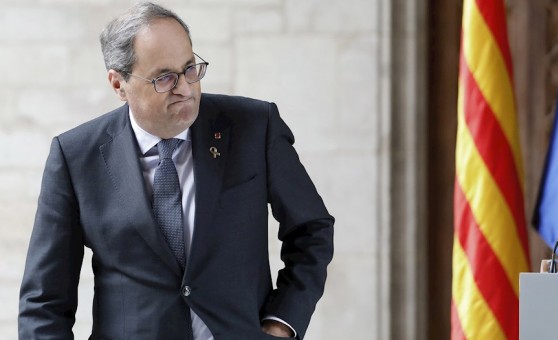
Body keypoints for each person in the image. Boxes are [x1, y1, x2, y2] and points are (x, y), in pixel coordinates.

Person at [18, 2, 334, 339]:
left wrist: (282, 322)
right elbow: (44, 302)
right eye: (164, 78)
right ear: (118, 84)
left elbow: (312, 230)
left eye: (190, 68)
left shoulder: (254, 127)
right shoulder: (75, 156)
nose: (185, 87)